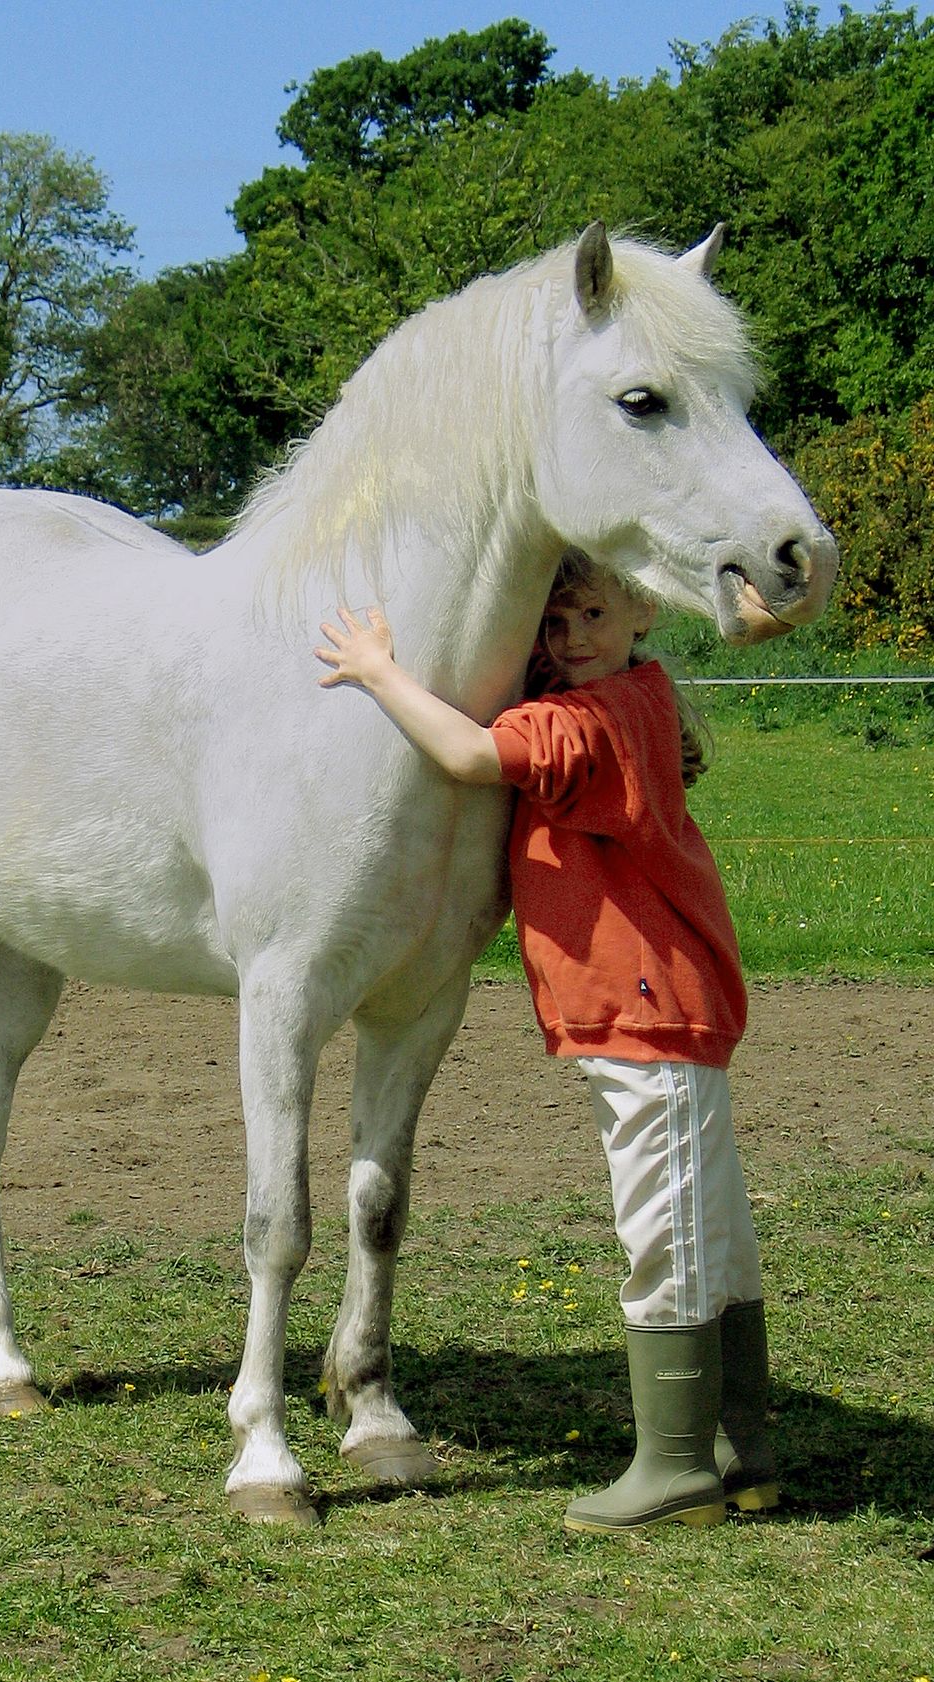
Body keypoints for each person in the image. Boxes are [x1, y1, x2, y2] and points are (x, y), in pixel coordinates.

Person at [314, 555, 778, 1534]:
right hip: (662, 1009)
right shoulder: (630, 696)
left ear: (644, 609)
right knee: (711, 1227)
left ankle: (678, 1467)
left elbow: (471, 756)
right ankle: (740, 1447)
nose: (570, 637)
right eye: (553, 620)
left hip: (645, 1010)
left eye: (593, 613)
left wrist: (378, 671)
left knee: (668, 1230)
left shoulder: (590, 723)